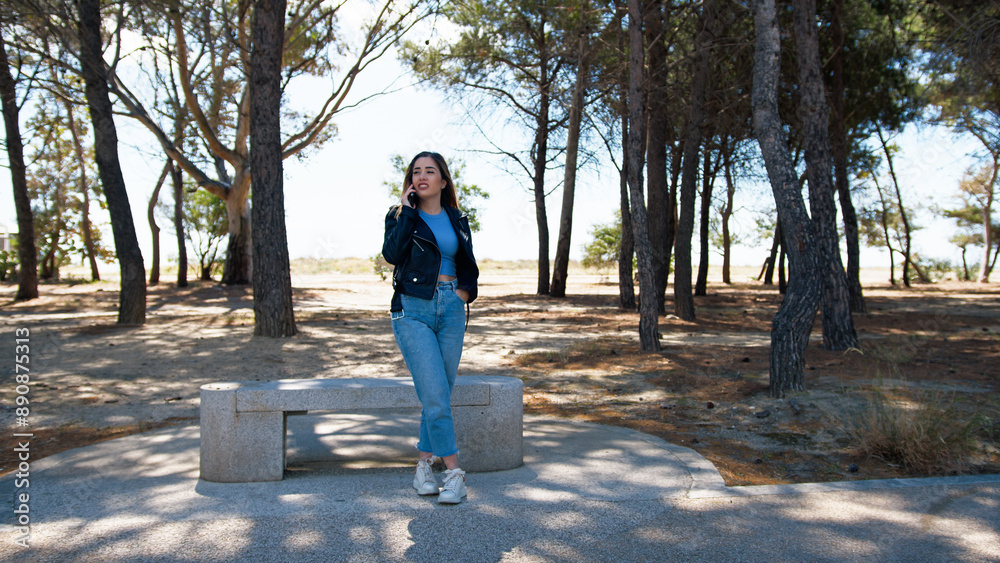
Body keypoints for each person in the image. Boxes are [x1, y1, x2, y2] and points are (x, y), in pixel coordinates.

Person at [382, 151, 479, 504]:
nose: (422, 176)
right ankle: (454, 473)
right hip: (413, 308)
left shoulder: (458, 219)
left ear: (443, 180)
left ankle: (423, 465)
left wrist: (465, 292)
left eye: (430, 171)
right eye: (416, 171)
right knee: (436, 395)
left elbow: (468, 262)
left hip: (452, 309)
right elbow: (392, 254)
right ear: (410, 181)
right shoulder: (400, 216)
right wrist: (406, 211)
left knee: (437, 393)